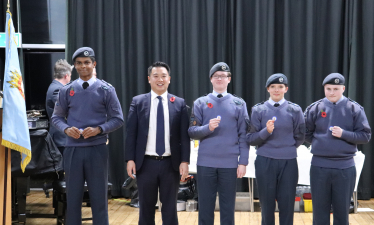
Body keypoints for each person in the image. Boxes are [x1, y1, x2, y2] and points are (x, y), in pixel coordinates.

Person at [51, 47, 124, 225]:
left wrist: (100, 129)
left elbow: (118, 119)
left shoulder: (106, 90)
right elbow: (56, 118)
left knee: (99, 200)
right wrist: (67, 129)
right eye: (79, 63)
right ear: (74, 66)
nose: (83, 66)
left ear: (94, 64)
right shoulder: (66, 91)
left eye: (87, 63)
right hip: (73, 151)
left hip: (97, 150)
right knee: (73, 200)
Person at [125, 61, 190, 225]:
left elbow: (184, 136)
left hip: (171, 164)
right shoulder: (138, 102)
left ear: (169, 79)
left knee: (170, 209)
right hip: (145, 163)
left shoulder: (179, 103)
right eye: (156, 76)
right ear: (149, 79)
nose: (160, 79)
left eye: (163, 76)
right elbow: (131, 134)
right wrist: (130, 159)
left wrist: (185, 161)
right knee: (146, 209)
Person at [304, 73, 371, 225]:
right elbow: (305, 133)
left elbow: (365, 136)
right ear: (324, 89)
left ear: (343, 88)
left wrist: (344, 134)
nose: (332, 92)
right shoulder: (315, 108)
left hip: (344, 169)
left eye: (336, 88)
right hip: (319, 168)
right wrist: (320, 142)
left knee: (342, 213)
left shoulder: (354, 109)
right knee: (320, 213)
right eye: (328, 89)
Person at [188, 62, 249, 225]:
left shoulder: (239, 104)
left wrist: (243, 162)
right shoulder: (200, 103)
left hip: (229, 164)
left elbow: (244, 135)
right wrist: (207, 128)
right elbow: (192, 132)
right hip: (206, 163)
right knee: (205, 208)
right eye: (216, 76)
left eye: (223, 76)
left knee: (228, 208)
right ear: (211, 79)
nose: (220, 78)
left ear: (229, 79)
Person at [247, 73, 305, 225]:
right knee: (266, 205)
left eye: (280, 87)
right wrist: (266, 131)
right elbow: (251, 139)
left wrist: (287, 148)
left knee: (287, 204)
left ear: (286, 89)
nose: (276, 90)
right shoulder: (258, 110)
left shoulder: (295, 110)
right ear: (268, 89)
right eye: (273, 87)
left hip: (288, 162)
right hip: (265, 161)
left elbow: (300, 136)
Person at [46, 59, 72, 155]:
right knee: (65, 167)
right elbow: (67, 109)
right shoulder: (57, 89)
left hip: (61, 136)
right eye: (70, 76)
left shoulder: (54, 86)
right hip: (61, 137)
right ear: (66, 76)